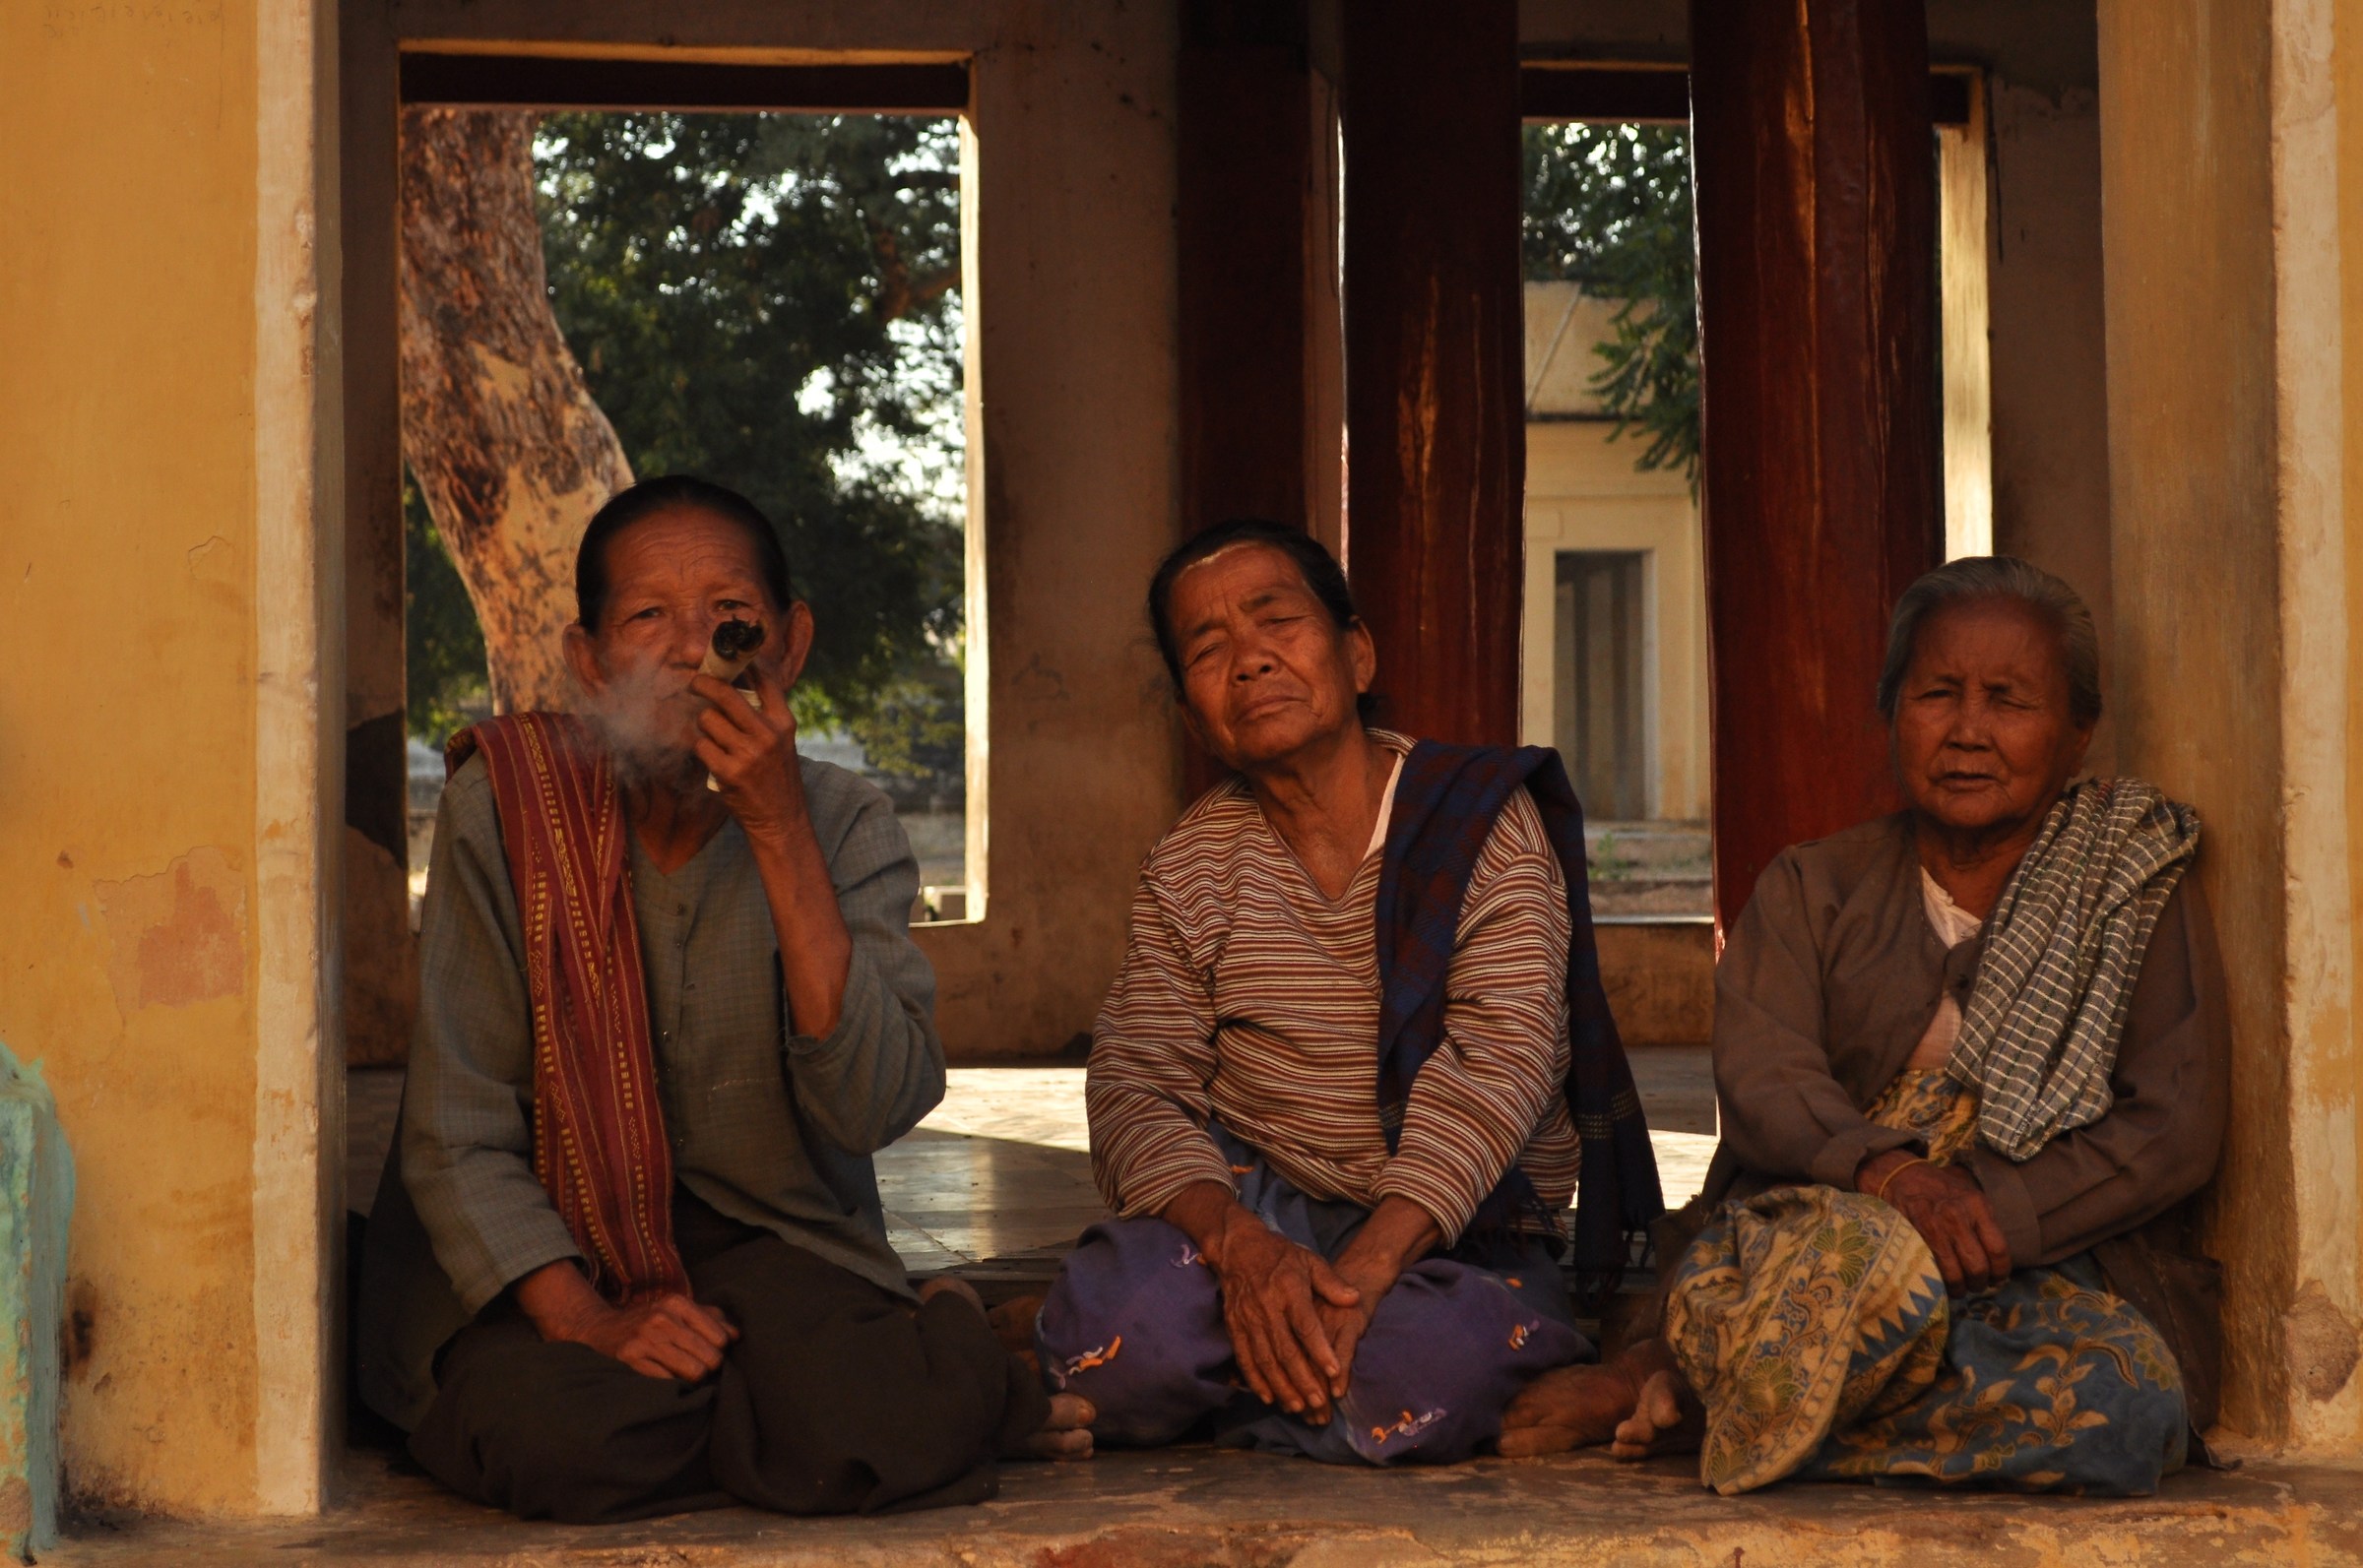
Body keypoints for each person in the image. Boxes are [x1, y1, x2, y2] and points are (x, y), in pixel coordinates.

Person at [356, 475, 1090, 1523]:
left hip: (769, 1245)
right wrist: (589, 1322)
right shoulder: (505, 809)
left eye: (729, 618)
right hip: (552, 1248)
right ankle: (880, 1391)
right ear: (589, 661)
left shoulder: (845, 823)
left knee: (872, 1421)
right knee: (553, 1439)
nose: (692, 650)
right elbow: (454, 1129)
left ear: (788, 645)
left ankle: (890, 1369)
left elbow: (873, 1106)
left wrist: (779, 829)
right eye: (648, 618)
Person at [1499, 555, 2227, 1496]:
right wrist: (1892, 1178)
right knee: (1857, 1262)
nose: (1968, 730)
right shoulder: (1813, 886)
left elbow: (2175, 1123)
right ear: (1892, 714)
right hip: (1817, 1235)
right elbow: (1764, 1078)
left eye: (2009, 700)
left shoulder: (2129, 885)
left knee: (2124, 1406)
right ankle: (1771, 1384)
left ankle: (1723, 1400)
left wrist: (1995, 1214)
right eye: (1937, 693)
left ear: (2077, 731)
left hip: (2040, 1264)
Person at [1028, 519, 1663, 1467]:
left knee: (1428, 1363)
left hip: (1452, 1234)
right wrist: (1242, 1248)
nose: (1249, 660)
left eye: (1277, 620)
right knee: (1116, 1330)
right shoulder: (1189, 864)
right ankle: (1280, 1374)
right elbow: (1135, 1084)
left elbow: (1498, 1067)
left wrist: (1364, 1274)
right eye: (1207, 649)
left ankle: (1202, 1385)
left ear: (1356, 654)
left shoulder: (1482, 824)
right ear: (1195, 716)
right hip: (1256, 1214)